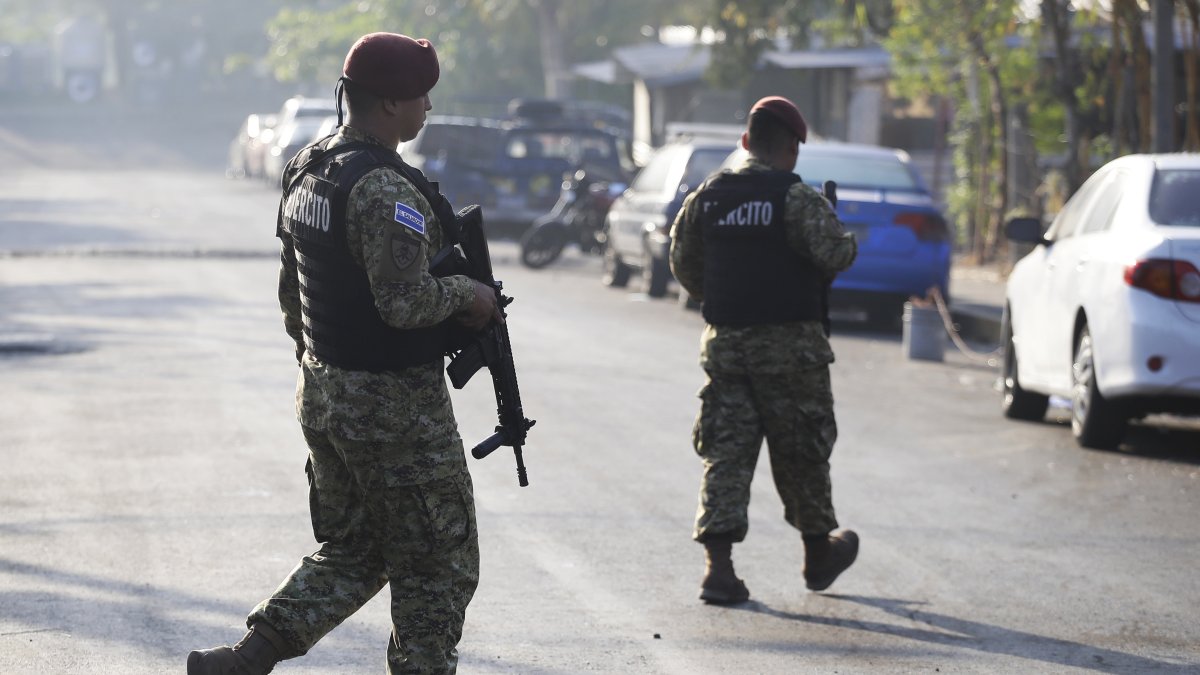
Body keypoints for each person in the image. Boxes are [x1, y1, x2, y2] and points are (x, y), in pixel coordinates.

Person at [187, 32, 501, 674]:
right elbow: (404, 303)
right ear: (388, 103)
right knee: (438, 561)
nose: (427, 111)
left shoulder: (309, 166)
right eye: (421, 98)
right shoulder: (385, 190)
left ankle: (246, 660)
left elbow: (290, 294)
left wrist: (325, 364)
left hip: (325, 388)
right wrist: (468, 293)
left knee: (358, 547)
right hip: (391, 405)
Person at [668, 95, 860, 605]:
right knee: (802, 452)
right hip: (792, 354)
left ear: (746, 141)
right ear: (793, 149)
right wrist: (839, 228)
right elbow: (836, 254)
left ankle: (719, 570)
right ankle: (819, 554)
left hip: (727, 349)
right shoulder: (797, 200)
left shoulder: (707, 198)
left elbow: (684, 266)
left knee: (725, 454)